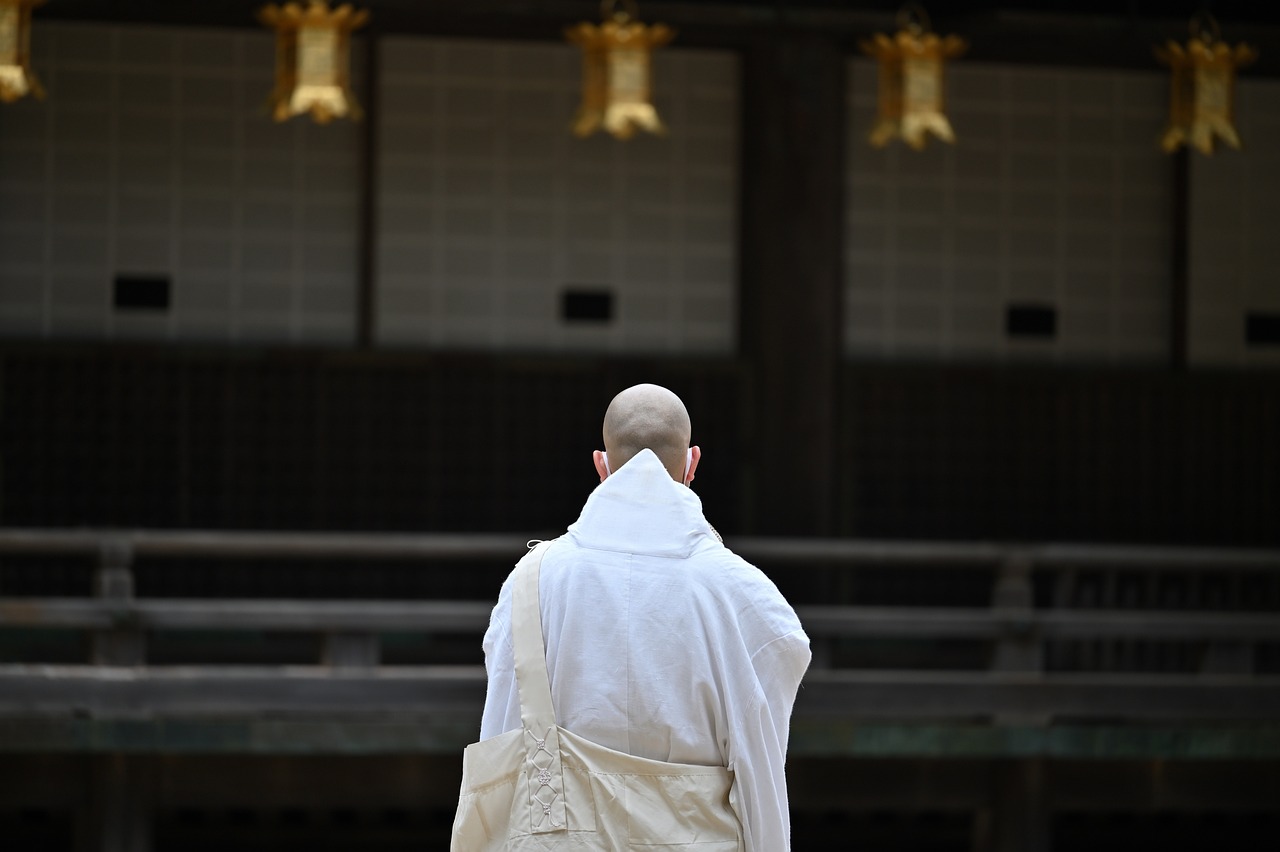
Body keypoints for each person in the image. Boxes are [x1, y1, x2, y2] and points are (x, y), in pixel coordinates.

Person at [478, 383, 811, 851]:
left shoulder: (533, 582)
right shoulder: (743, 595)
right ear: (692, 464)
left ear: (602, 466)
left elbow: (501, 747)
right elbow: (761, 771)